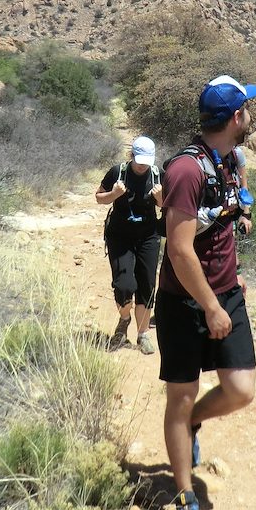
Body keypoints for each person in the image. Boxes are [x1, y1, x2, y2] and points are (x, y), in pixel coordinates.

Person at [155, 75, 256, 510]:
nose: (251, 115)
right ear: (236, 117)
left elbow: (227, 210)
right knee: (179, 397)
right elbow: (179, 251)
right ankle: (183, 499)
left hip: (225, 292)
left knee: (240, 390)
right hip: (185, 303)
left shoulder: (232, 159)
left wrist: (241, 216)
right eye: (248, 109)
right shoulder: (185, 170)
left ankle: (195, 421)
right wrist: (212, 307)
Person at [95, 136, 164, 354]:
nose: (142, 165)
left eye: (146, 161)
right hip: (120, 236)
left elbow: (167, 207)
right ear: (131, 155)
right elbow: (99, 197)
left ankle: (142, 334)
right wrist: (114, 194)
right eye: (139, 159)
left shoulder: (157, 176)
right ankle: (124, 320)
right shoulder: (117, 172)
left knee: (147, 284)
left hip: (148, 236)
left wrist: (161, 199)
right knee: (124, 284)